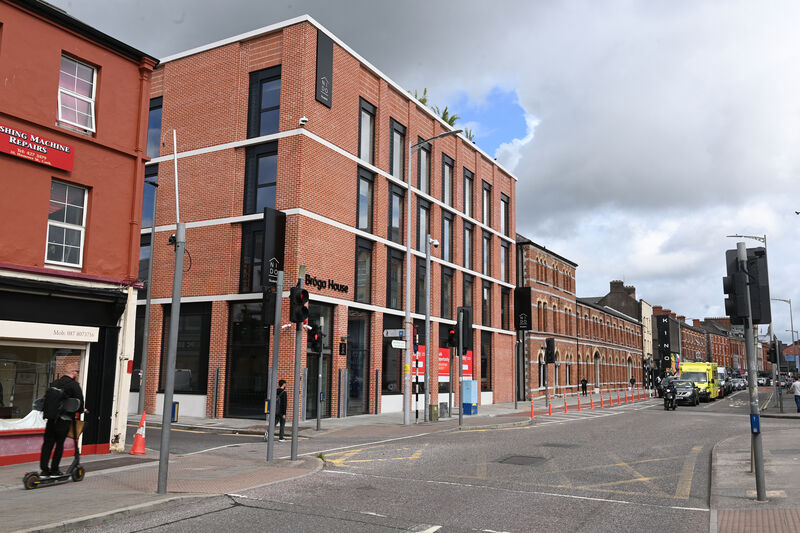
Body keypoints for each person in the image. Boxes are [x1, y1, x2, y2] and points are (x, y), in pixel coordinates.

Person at [40, 364, 84, 477]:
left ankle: (44, 470)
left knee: (47, 444)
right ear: (73, 372)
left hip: (51, 418)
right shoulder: (74, 385)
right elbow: (79, 404)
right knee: (59, 444)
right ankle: (55, 470)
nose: (77, 374)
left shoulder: (55, 383)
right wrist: (82, 409)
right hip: (64, 420)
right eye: (77, 372)